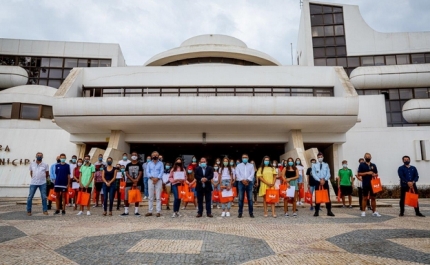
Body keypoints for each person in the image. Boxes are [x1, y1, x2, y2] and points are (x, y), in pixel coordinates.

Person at [358, 153, 381, 217]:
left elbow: (376, 173)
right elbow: (359, 174)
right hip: (365, 183)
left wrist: (374, 174)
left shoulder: (373, 165)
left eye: (369, 156)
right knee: (365, 197)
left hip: (373, 183)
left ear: (371, 157)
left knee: (373, 197)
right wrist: (367, 173)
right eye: (366, 156)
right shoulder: (362, 165)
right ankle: (363, 211)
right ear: (364, 157)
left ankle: (374, 211)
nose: (368, 157)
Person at [312, 152, 335, 217]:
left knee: (327, 196)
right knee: (318, 196)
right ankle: (316, 211)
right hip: (317, 181)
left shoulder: (326, 165)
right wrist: (319, 180)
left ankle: (329, 211)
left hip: (325, 181)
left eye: (321, 157)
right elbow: (314, 174)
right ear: (317, 157)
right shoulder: (314, 165)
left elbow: (328, 173)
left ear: (323, 157)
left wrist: (324, 179)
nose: (320, 158)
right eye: (319, 157)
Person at [121, 152, 143, 217]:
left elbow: (140, 173)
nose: (134, 156)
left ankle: (136, 212)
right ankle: (126, 211)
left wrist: (136, 180)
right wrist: (133, 180)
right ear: (131, 156)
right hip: (128, 183)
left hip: (138, 183)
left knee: (137, 197)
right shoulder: (128, 165)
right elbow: (127, 173)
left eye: (135, 155)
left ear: (137, 156)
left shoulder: (139, 164)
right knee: (126, 198)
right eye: (133, 155)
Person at [235, 154, 255, 218]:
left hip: (249, 183)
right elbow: (237, 174)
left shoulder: (251, 165)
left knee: (250, 198)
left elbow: (252, 173)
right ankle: (240, 213)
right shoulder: (238, 165)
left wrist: (247, 180)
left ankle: (251, 213)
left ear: (248, 158)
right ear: (241, 158)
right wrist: (242, 180)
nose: (244, 158)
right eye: (243, 157)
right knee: (241, 198)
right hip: (241, 183)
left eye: (246, 157)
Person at [145, 151, 164, 217]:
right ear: (151, 156)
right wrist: (152, 178)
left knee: (158, 197)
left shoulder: (161, 163)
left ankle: (158, 211)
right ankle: (150, 211)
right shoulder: (149, 163)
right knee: (150, 196)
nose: (155, 156)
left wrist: (157, 178)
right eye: (153, 155)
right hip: (151, 180)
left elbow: (162, 171)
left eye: (156, 155)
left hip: (158, 180)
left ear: (158, 156)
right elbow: (147, 171)